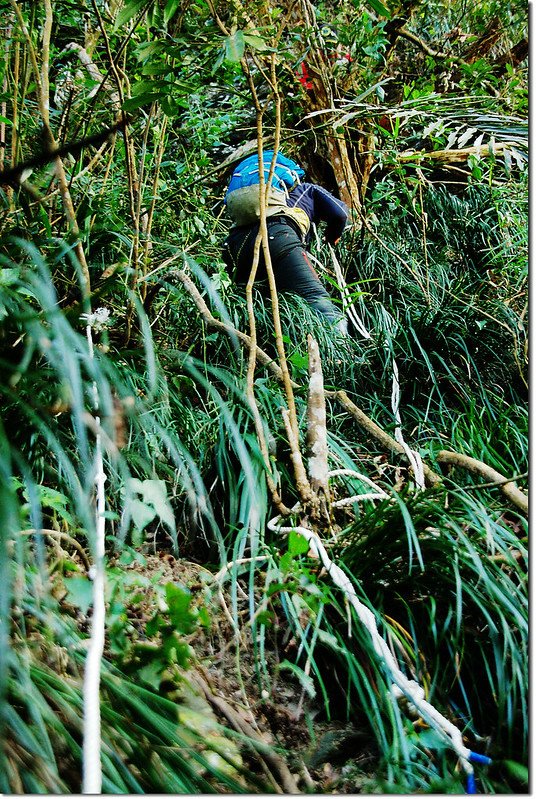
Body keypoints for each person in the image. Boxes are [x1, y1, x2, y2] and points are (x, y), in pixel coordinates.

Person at [222, 150, 348, 333]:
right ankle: (340, 358)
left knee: (264, 315)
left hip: (236, 247)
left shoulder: (258, 209)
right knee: (319, 303)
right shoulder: (307, 189)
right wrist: (332, 238)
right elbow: (340, 214)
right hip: (279, 238)